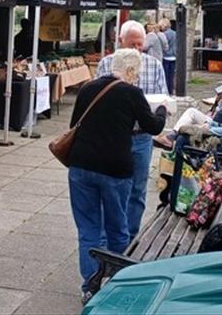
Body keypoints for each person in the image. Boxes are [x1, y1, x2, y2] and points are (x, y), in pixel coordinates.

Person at [68, 49, 168, 305]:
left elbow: (73, 124)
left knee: (88, 229)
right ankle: (118, 282)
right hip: (114, 170)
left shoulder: (88, 88)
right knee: (117, 228)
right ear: (131, 71)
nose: (138, 78)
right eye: (138, 74)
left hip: (80, 167)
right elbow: (153, 127)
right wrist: (162, 111)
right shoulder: (132, 93)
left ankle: (90, 286)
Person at [95, 20, 167, 241]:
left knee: (137, 189)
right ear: (120, 41)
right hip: (114, 138)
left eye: (140, 45)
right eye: (132, 45)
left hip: (141, 137)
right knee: (111, 188)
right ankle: (109, 237)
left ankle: (129, 237)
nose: (137, 50)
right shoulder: (106, 64)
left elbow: (162, 98)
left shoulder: (153, 65)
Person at [160, 19, 177, 95]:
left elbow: (164, 46)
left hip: (166, 56)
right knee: (171, 76)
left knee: (165, 76)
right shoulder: (175, 33)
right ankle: (171, 91)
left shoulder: (164, 34)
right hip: (173, 56)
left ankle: (166, 91)